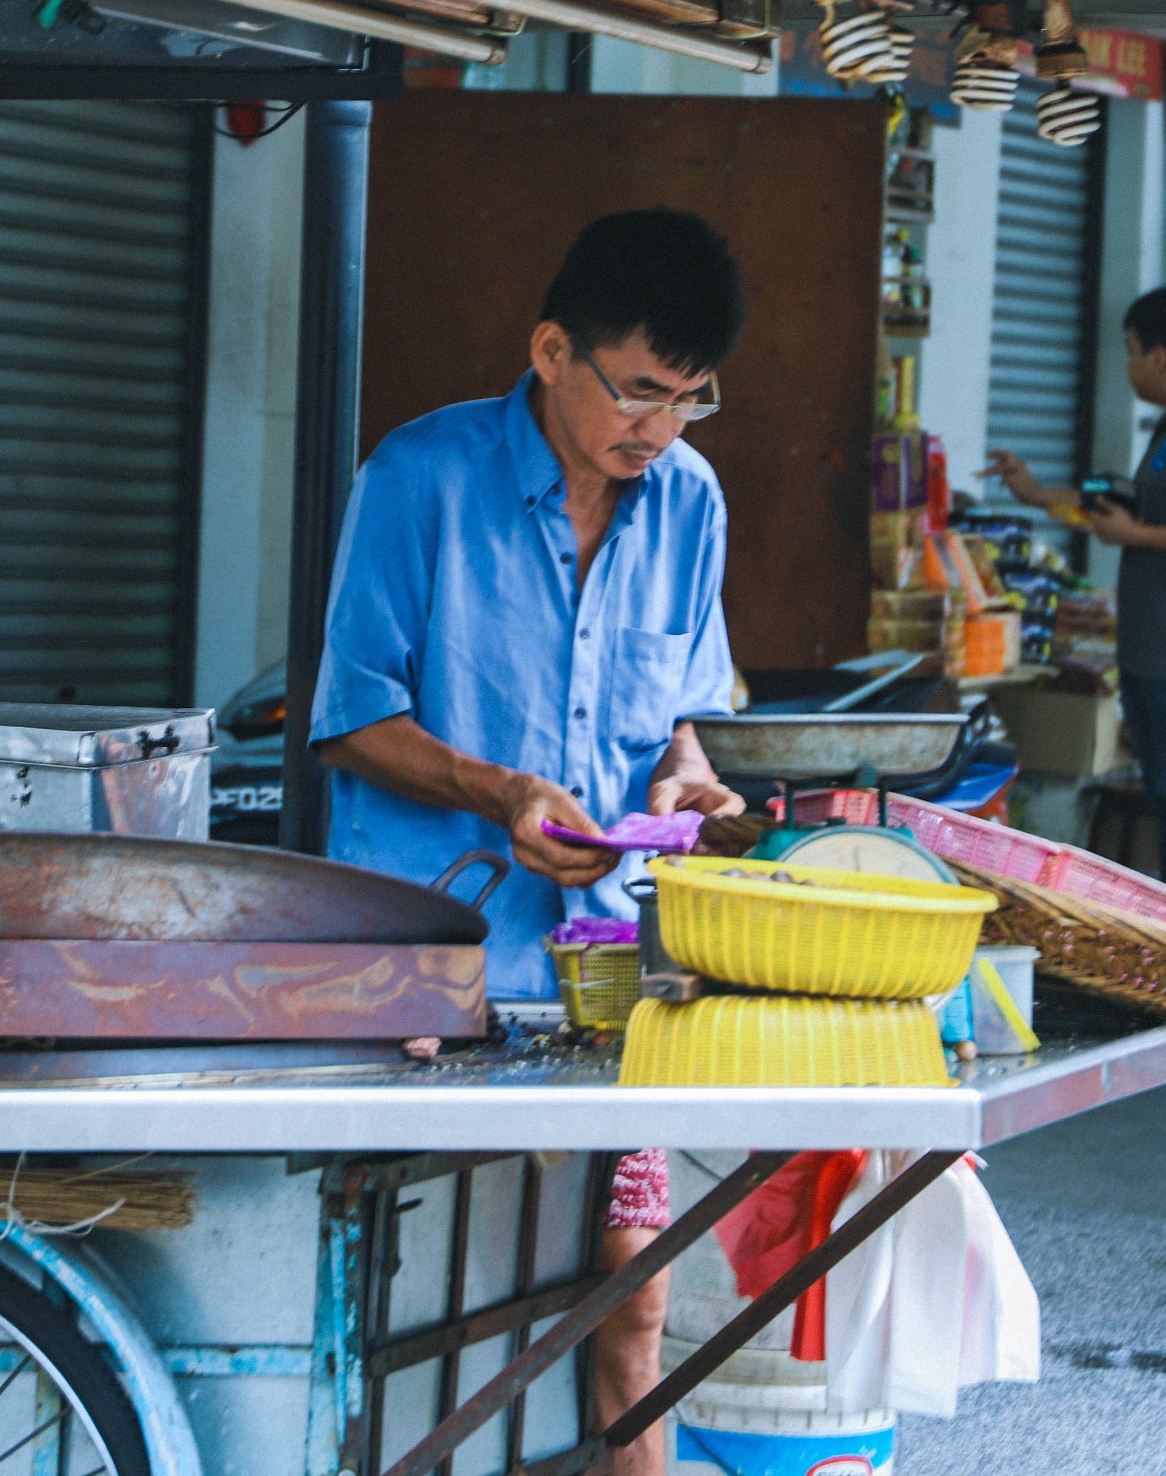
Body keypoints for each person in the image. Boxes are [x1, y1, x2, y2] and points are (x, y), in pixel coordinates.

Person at [310, 208, 749, 1475]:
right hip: (433, 979)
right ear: (551, 349)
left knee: (634, 1284)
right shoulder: (418, 477)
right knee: (420, 1302)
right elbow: (349, 718)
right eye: (638, 393)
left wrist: (690, 780)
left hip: (616, 983)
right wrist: (497, 790)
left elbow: (683, 723)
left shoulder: (689, 502)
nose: (657, 431)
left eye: (688, 401)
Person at [984, 284, 1166, 911]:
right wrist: (1038, 494)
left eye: (1132, 351)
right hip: (1154, 651)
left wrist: (1137, 535)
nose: (1129, 366)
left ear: (1160, 356)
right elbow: (1131, 514)